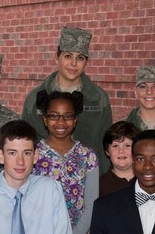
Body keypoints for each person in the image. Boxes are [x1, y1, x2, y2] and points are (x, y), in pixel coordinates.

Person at [21, 26, 113, 174]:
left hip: (87, 181)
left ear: (86, 62)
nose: (74, 63)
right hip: (42, 182)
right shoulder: (35, 98)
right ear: (57, 57)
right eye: (68, 56)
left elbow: (106, 148)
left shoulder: (99, 99)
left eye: (80, 58)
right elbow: (24, 144)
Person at [33, 90, 99, 234]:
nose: (61, 122)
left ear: (76, 119)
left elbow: (91, 206)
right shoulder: (33, 154)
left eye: (68, 116)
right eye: (54, 116)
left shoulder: (88, 156)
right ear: (45, 119)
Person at [99, 121, 141, 197]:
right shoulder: (98, 185)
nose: (121, 151)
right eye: (115, 146)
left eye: (127, 145)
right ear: (107, 151)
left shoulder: (146, 181)